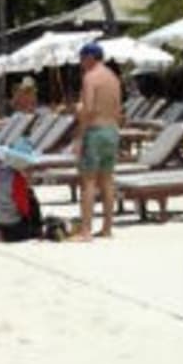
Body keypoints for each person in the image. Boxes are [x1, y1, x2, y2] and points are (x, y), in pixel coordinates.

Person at [70, 41, 123, 240]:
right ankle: (107, 228)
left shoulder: (90, 78)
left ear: (90, 58)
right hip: (112, 130)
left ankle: (85, 231)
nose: (81, 62)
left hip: (95, 131)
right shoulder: (113, 78)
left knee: (88, 182)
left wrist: (79, 136)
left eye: (82, 58)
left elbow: (89, 110)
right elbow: (118, 109)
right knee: (107, 180)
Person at [0, 137, 43, 242]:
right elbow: (24, 208)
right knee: (31, 199)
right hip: (8, 222)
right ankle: (5, 233)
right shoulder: (18, 179)